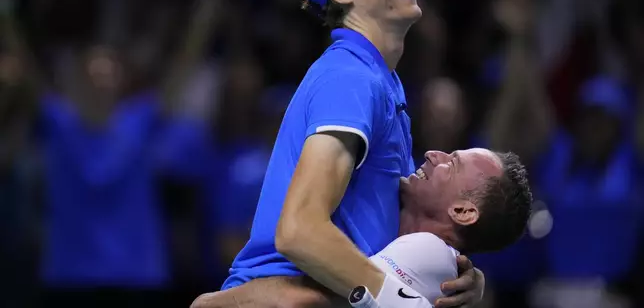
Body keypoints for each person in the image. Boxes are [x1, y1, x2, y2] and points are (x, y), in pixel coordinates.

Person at [193, 0, 484, 307]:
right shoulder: (352, 77)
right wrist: (399, 300)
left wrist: (452, 273)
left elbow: (375, 237)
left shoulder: (379, 80)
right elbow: (299, 230)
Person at [193, 148, 532, 307]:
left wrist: (213, 303)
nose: (433, 154)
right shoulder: (426, 256)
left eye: (452, 163)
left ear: (461, 211)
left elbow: (307, 300)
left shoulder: (428, 253)